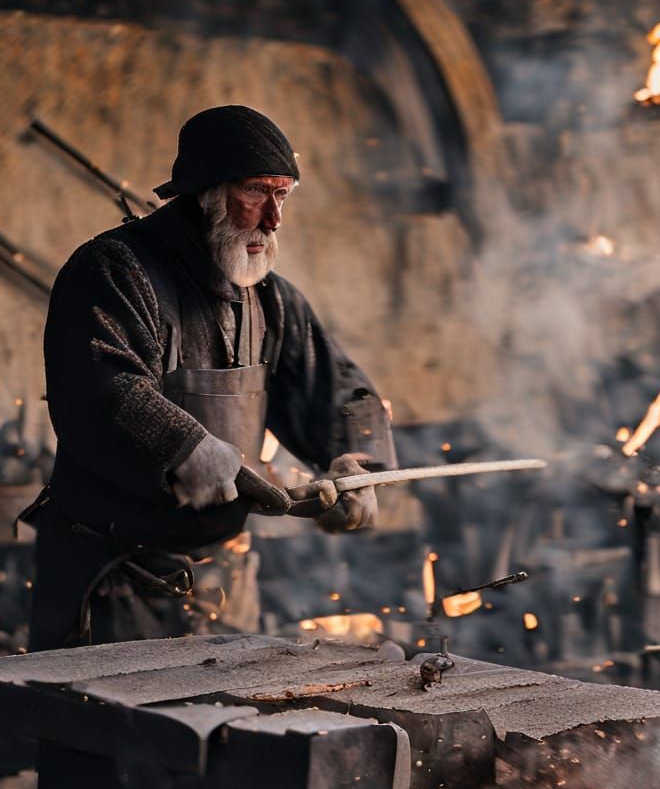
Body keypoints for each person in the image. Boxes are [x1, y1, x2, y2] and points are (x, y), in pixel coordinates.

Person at [26, 105, 393, 651]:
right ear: (204, 194)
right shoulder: (114, 271)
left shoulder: (270, 298)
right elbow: (100, 388)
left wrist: (356, 460)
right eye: (255, 193)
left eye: (283, 196)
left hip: (219, 580)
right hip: (112, 581)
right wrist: (184, 445)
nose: (272, 219)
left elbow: (343, 390)